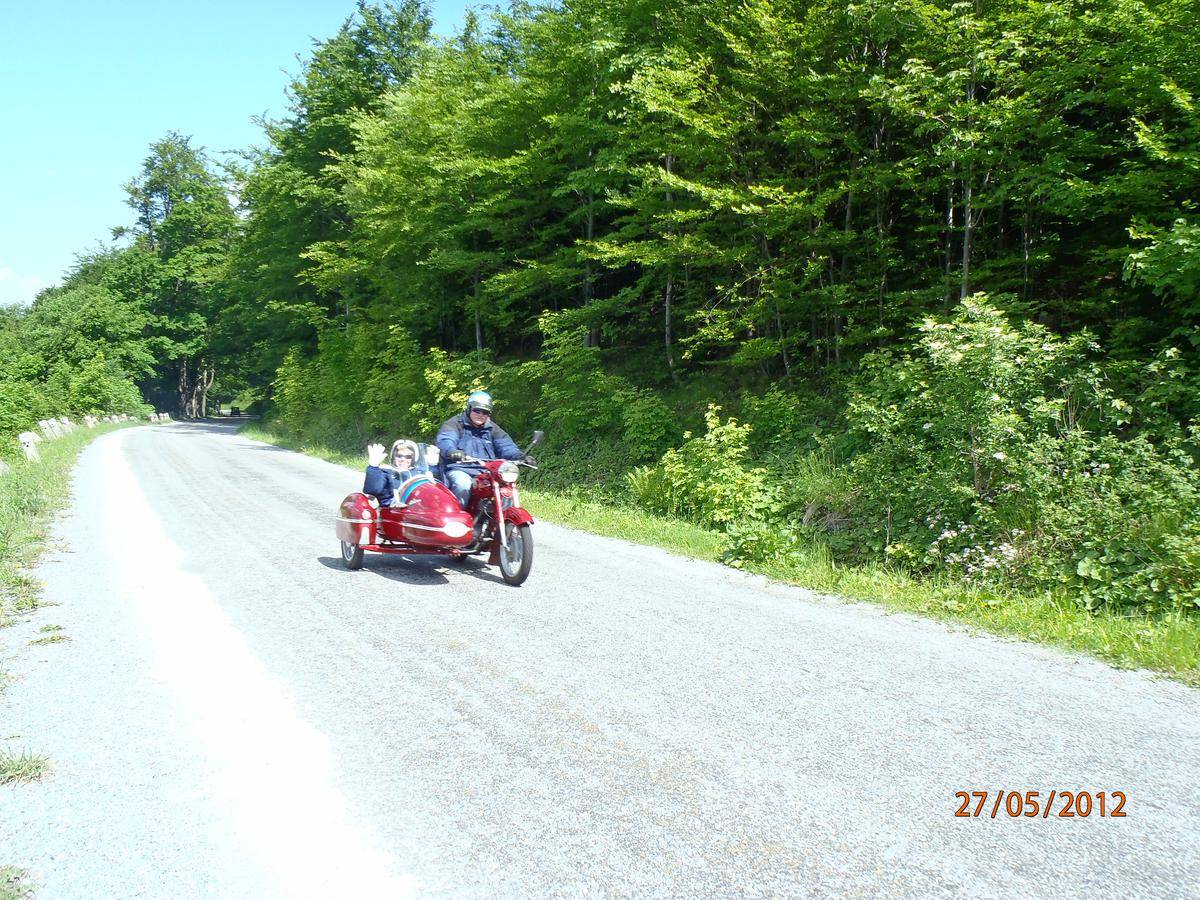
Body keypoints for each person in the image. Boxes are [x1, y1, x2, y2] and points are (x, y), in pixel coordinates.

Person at [436, 390, 531, 508]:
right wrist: (452, 451)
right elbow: (446, 440)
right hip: (460, 469)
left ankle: (504, 516)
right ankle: (457, 519)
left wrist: (520, 456)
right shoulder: (454, 424)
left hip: (485, 471)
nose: (480, 414)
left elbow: (506, 445)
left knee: (505, 487)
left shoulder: (492, 429)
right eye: (477, 410)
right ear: (469, 409)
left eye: (485, 412)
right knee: (463, 484)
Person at [363, 438, 420, 507]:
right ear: (393, 456)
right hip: (390, 511)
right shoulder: (385, 471)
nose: (403, 459)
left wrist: (433, 465)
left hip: (415, 511)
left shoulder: (418, 475)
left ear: (414, 458)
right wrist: (373, 466)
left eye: (408, 457)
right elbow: (373, 489)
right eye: (399, 456)